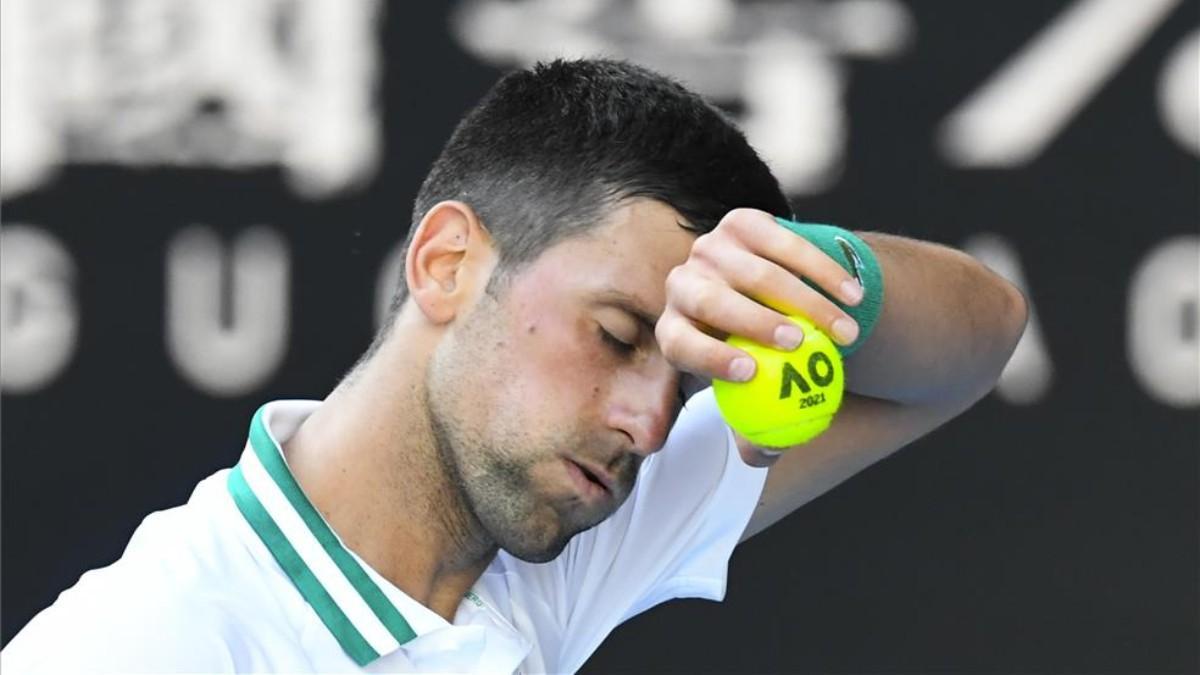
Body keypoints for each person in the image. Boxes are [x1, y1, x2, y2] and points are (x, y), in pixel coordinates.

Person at [2, 59, 1027, 673]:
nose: (650, 421)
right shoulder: (137, 650)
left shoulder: (550, 521)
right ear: (449, 263)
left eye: (682, 376)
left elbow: (975, 344)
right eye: (619, 335)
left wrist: (822, 277)